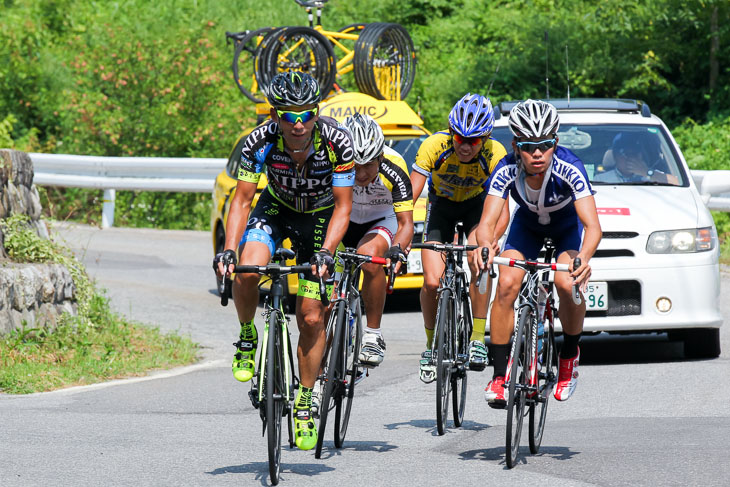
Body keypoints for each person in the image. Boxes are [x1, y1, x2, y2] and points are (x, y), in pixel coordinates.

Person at [216, 71, 354, 451]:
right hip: (274, 210)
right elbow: (242, 200)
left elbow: (344, 208)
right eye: (288, 115)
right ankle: (247, 336)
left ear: (317, 112)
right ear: (274, 115)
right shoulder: (257, 141)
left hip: (320, 218)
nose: (298, 124)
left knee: (310, 316)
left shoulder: (336, 142)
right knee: (246, 269)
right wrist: (228, 248)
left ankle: (305, 402)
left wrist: (327, 251)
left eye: (306, 114)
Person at [473, 99, 602, 407]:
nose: (537, 154)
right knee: (505, 284)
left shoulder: (569, 167)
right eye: (529, 146)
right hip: (527, 228)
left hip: (565, 228)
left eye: (545, 145)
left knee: (566, 282)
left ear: (554, 142)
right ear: (516, 145)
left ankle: (569, 358)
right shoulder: (506, 168)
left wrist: (583, 258)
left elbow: (593, 226)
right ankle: (500, 375)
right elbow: (487, 223)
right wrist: (484, 245)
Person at [410, 93, 509, 383]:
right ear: (451, 132)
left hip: (479, 207)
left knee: (479, 261)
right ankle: (430, 345)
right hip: (441, 206)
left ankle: (478, 338)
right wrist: (400, 233)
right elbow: (411, 194)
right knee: (431, 281)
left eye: (473, 141)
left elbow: (502, 205)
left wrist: (491, 241)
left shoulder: (496, 153)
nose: (465, 146)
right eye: (459, 138)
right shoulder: (433, 145)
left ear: (486, 138)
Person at [341, 113, 414, 367]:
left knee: (369, 258)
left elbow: (406, 223)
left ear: (380, 158)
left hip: (380, 220)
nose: (360, 173)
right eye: (354, 165)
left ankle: (372, 334)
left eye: (368, 165)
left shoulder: (395, 166)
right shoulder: (331, 160)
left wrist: (397, 250)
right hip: (343, 218)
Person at [594, 132, 676, 184]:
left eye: (633, 153)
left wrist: (646, 172)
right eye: (624, 153)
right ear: (615, 156)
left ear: (640, 155)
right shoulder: (600, 179)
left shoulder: (652, 174)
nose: (629, 158)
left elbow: (678, 183)